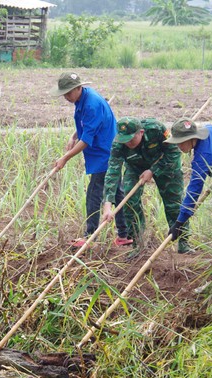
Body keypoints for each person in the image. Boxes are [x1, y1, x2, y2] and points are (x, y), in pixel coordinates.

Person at [50, 72, 130, 247]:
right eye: (64, 93)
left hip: (104, 152)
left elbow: (86, 140)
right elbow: (85, 126)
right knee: (116, 191)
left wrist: (65, 158)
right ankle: (125, 235)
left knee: (95, 193)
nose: (66, 97)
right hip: (102, 150)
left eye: (69, 93)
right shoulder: (83, 99)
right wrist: (73, 135)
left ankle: (90, 236)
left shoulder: (91, 104)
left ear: (79, 88)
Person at [101, 117, 189, 254]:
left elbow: (174, 152)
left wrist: (153, 171)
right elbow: (113, 172)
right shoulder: (118, 144)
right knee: (130, 202)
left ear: (141, 132)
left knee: (174, 203)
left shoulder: (156, 129)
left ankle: (184, 243)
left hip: (165, 164)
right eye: (124, 140)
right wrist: (107, 204)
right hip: (135, 166)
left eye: (131, 139)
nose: (128, 143)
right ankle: (138, 244)